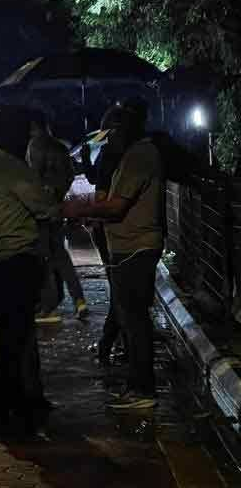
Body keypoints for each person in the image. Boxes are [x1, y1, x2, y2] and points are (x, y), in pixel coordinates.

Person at [63, 102, 164, 410]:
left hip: (136, 247)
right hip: (129, 246)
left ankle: (142, 390)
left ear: (122, 131)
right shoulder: (133, 155)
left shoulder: (138, 157)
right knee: (130, 317)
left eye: (110, 136)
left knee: (133, 320)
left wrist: (77, 208)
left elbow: (116, 206)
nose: (107, 142)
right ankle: (137, 384)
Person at [0, 107, 58, 438]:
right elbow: (44, 207)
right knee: (15, 338)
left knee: (8, 335)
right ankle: (6, 415)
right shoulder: (12, 168)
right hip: (16, 261)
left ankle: (9, 409)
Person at [27, 110, 86, 321]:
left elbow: (33, 178)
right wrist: (58, 194)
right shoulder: (60, 147)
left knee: (44, 258)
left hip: (41, 211)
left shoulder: (34, 146)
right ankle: (79, 300)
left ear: (34, 125)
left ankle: (48, 306)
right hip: (57, 208)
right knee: (61, 256)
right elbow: (69, 175)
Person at [81, 105, 128, 365]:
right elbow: (94, 176)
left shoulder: (113, 153)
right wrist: (87, 158)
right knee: (120, 289)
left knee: (119, 289)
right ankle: (116, 342)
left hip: (110, 227)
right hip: (115, 227)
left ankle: (110, 343)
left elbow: (99, 186)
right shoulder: (120, 154)